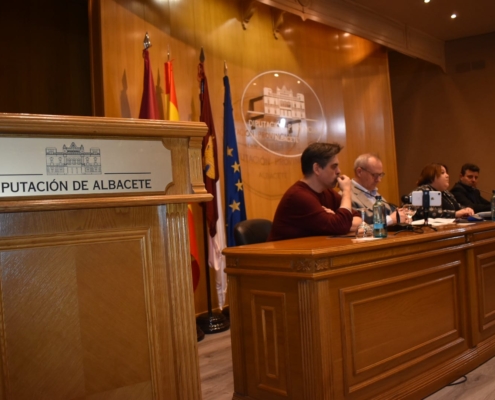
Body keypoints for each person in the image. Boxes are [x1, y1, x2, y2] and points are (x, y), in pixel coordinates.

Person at [267, 142, 362, 241]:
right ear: (317, 169)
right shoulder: (299, 196)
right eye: (334, 166)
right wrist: (346, 191)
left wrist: (337, 218)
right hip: (285, 254)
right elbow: (341, 226)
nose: (339, 171)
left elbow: (358, 218)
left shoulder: (327, 192)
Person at [350, 153, 406, 225]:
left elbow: (391, 216)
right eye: (375, 175)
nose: (379, 180)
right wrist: (390, 220)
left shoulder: (374, 193)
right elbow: (357, 228)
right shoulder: (346, 196)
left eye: (380, 175)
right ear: (359, 172)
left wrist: (400, 215)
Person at [409, 163, 474, 220]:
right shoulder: (422, 191)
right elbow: (424, 212)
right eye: (442, 173)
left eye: (446, 173)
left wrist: (466, 210)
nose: (447, 175)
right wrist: (455, 214)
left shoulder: (446, 193)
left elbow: (457, 207)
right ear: (431, 176)